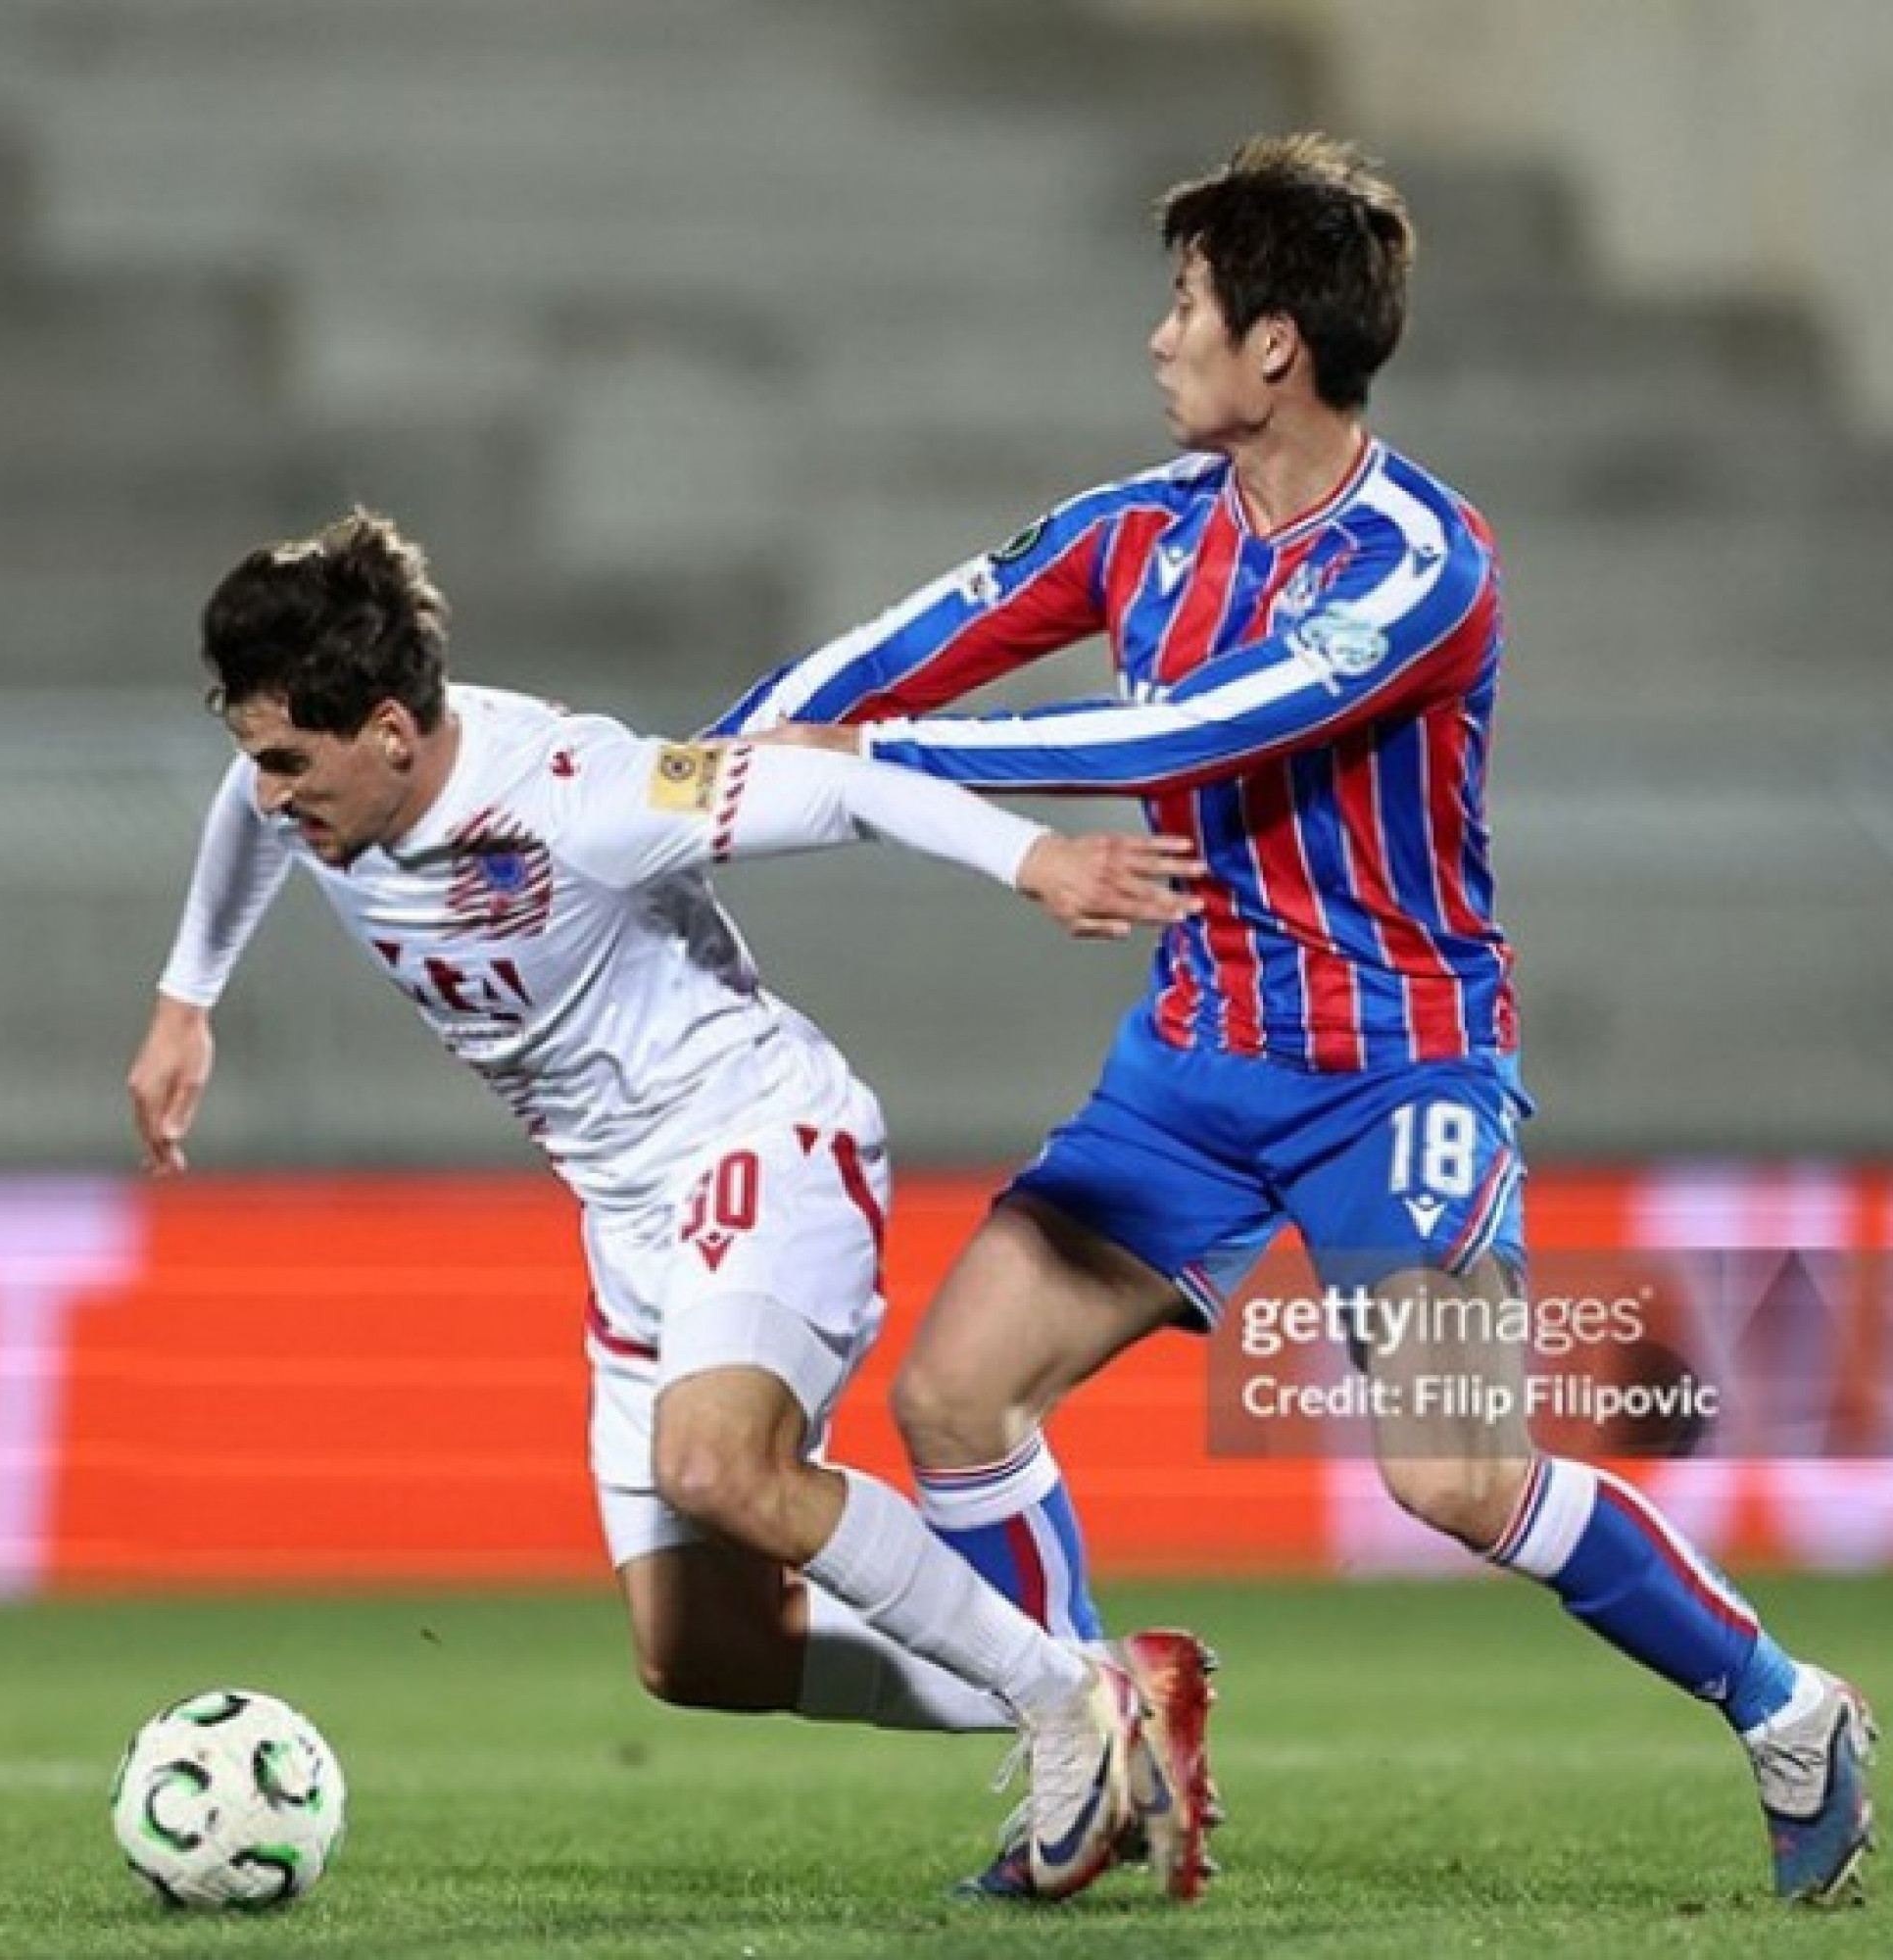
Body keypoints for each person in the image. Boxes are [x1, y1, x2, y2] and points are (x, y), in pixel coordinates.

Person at [716, 133, 1877, 1905]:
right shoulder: (1137, 530)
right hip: (1192, 1070)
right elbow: (892, 649)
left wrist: (883, 758)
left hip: (1398, 1072)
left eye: (1184, 305)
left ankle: (1785, 1704)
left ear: (1276, 346)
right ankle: (1090, 1750)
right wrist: (700, 775)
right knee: (954, 1396)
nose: (1157, 338)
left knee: (1455, 1475)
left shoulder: (1424, 562)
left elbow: (1195, 732)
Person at [123, 509, 1223, 1902]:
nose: (272, 797)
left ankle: (1069, 1702)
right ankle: (1117, 1691)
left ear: (391, 733)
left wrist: (1035, 859)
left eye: (290, 763)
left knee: (719, 1466)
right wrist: (187, 1001)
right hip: (630, 1218)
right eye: (259, 758)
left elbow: (834, 786)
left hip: (758, 1144)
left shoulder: (577, 796)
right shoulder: (314, 788)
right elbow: (246, 818)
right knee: (700, 1655)